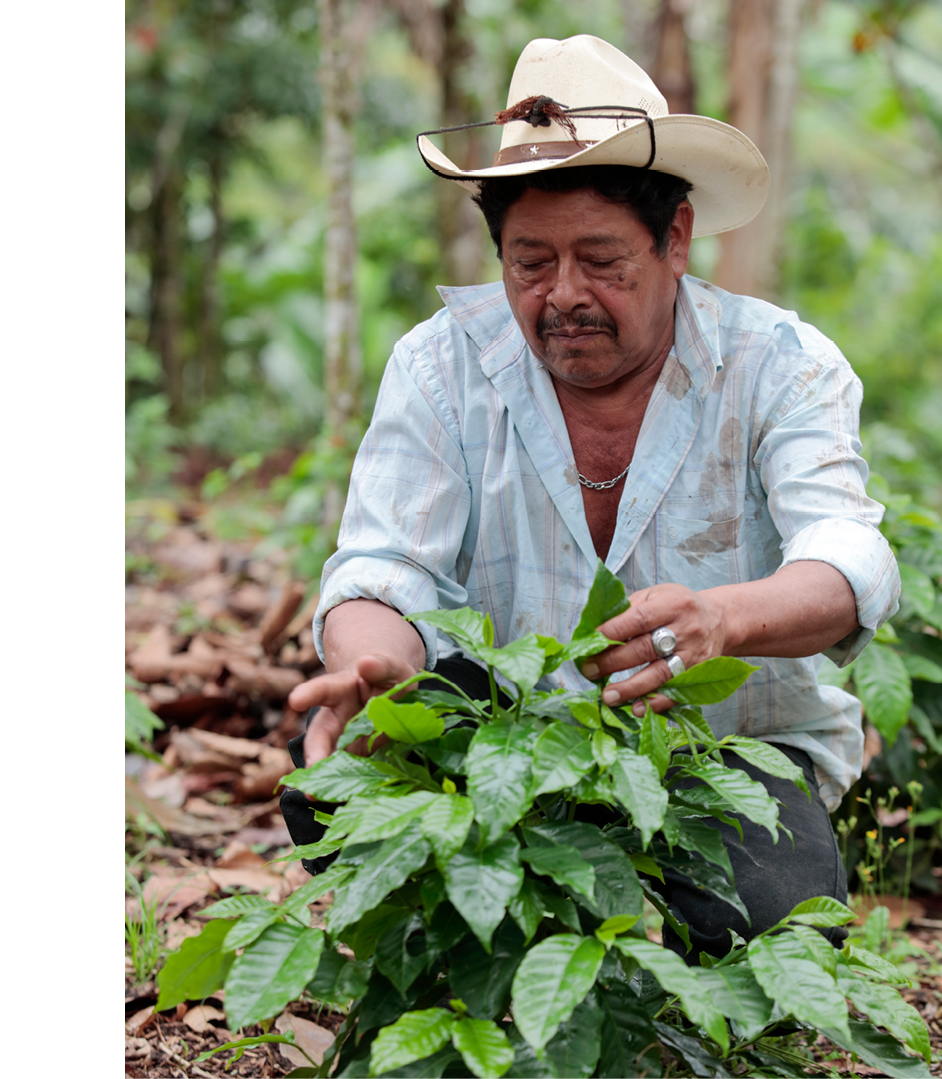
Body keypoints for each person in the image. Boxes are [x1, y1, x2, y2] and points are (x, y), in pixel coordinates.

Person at [280, 35, 900, 958]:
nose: (563, 295)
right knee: (336, 781)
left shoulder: (779, 365)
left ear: (675, 238)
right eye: (530, 263)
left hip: (713, 749)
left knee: (771, 927)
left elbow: (848, 560)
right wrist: (377, 671)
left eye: (602, 260)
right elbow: (384, 565)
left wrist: (720, 620)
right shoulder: (442, 366)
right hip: (509, 736)